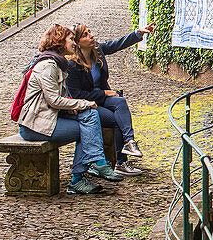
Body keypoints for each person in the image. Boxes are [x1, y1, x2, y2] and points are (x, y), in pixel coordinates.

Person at [17, 25, 123, 194]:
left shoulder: (57, 63)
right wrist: (83, 103)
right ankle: (82, 175)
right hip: (35, 125)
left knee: (90, 115)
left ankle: (94, 164)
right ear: (59, 42)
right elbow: (53, 100)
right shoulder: (48, 66)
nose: (74, 43)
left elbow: (53, 101)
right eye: (71, 40)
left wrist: (75, 107)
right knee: (86, 125)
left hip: (48, 118)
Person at [67, 22, 154, 177]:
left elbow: (116, 45)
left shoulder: (97, 50)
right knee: (116, 120)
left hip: (101, 97)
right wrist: (104, 94)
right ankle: (120, 162)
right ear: (78, 42)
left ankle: (129, 143)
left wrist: (138, 34)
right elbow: (77, 95)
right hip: (87, 104)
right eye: (86, 34)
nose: (91, 35)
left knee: (120, 102)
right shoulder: (72, 65)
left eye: (90, 31)